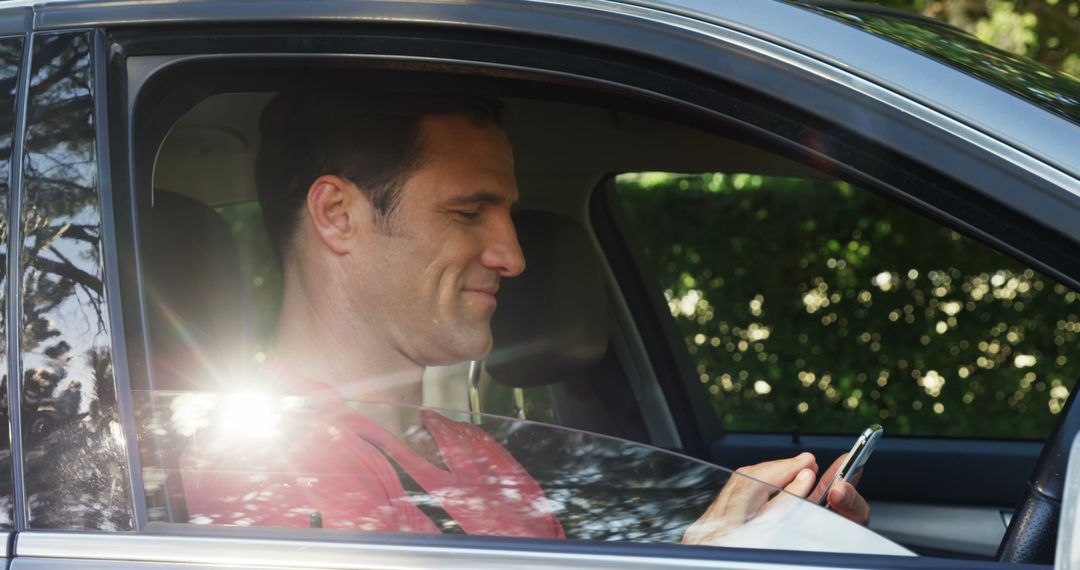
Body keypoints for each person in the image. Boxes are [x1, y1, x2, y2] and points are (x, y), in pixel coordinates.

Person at [178, 90, 868, 540]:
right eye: (467, 212)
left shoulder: (476, 449)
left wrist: (713, 547)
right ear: (338, 215)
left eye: (506, 214)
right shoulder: (268, 461)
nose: (511, 255)